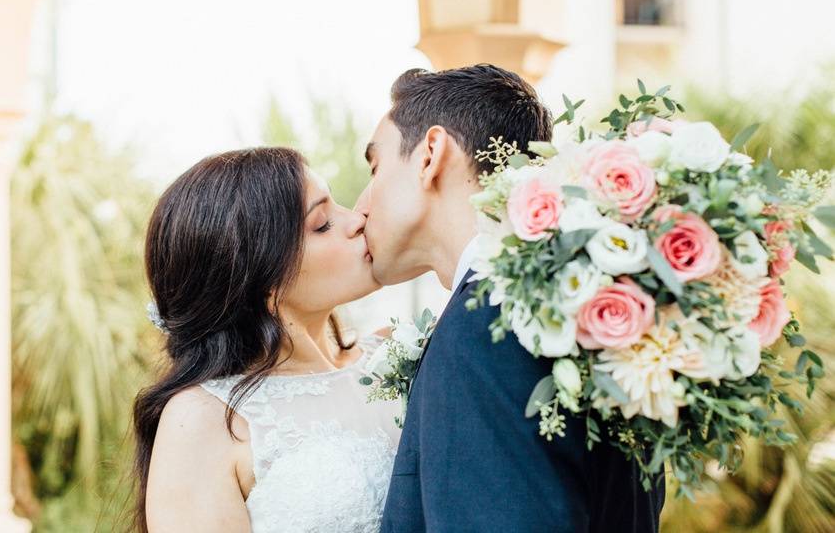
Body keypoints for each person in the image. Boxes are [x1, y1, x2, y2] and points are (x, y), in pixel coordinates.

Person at [357, 64, 666, 532]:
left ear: (430, 155)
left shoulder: (484, 333)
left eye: (375, 166)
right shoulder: (578, 314)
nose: (360, 207)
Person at [132, 147, 400, 533]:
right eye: (322, 223)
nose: (358, 219)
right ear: (263, 282)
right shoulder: (204, 420)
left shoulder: (400, 354)